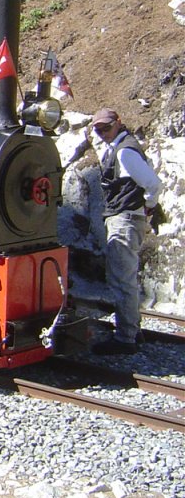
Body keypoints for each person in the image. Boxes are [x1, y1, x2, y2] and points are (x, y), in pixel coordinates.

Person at [90, 107, 162, 355]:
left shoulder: (125, 152)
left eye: (106, 128)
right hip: (127, 216)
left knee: (122, 278)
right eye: (98, 130)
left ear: (118, 123)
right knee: (125, 276)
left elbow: (153, 184)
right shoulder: (125, 146)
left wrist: (149, 206)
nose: (102, 133)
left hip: (126, 217)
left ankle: (125, 337)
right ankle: (133, 330)